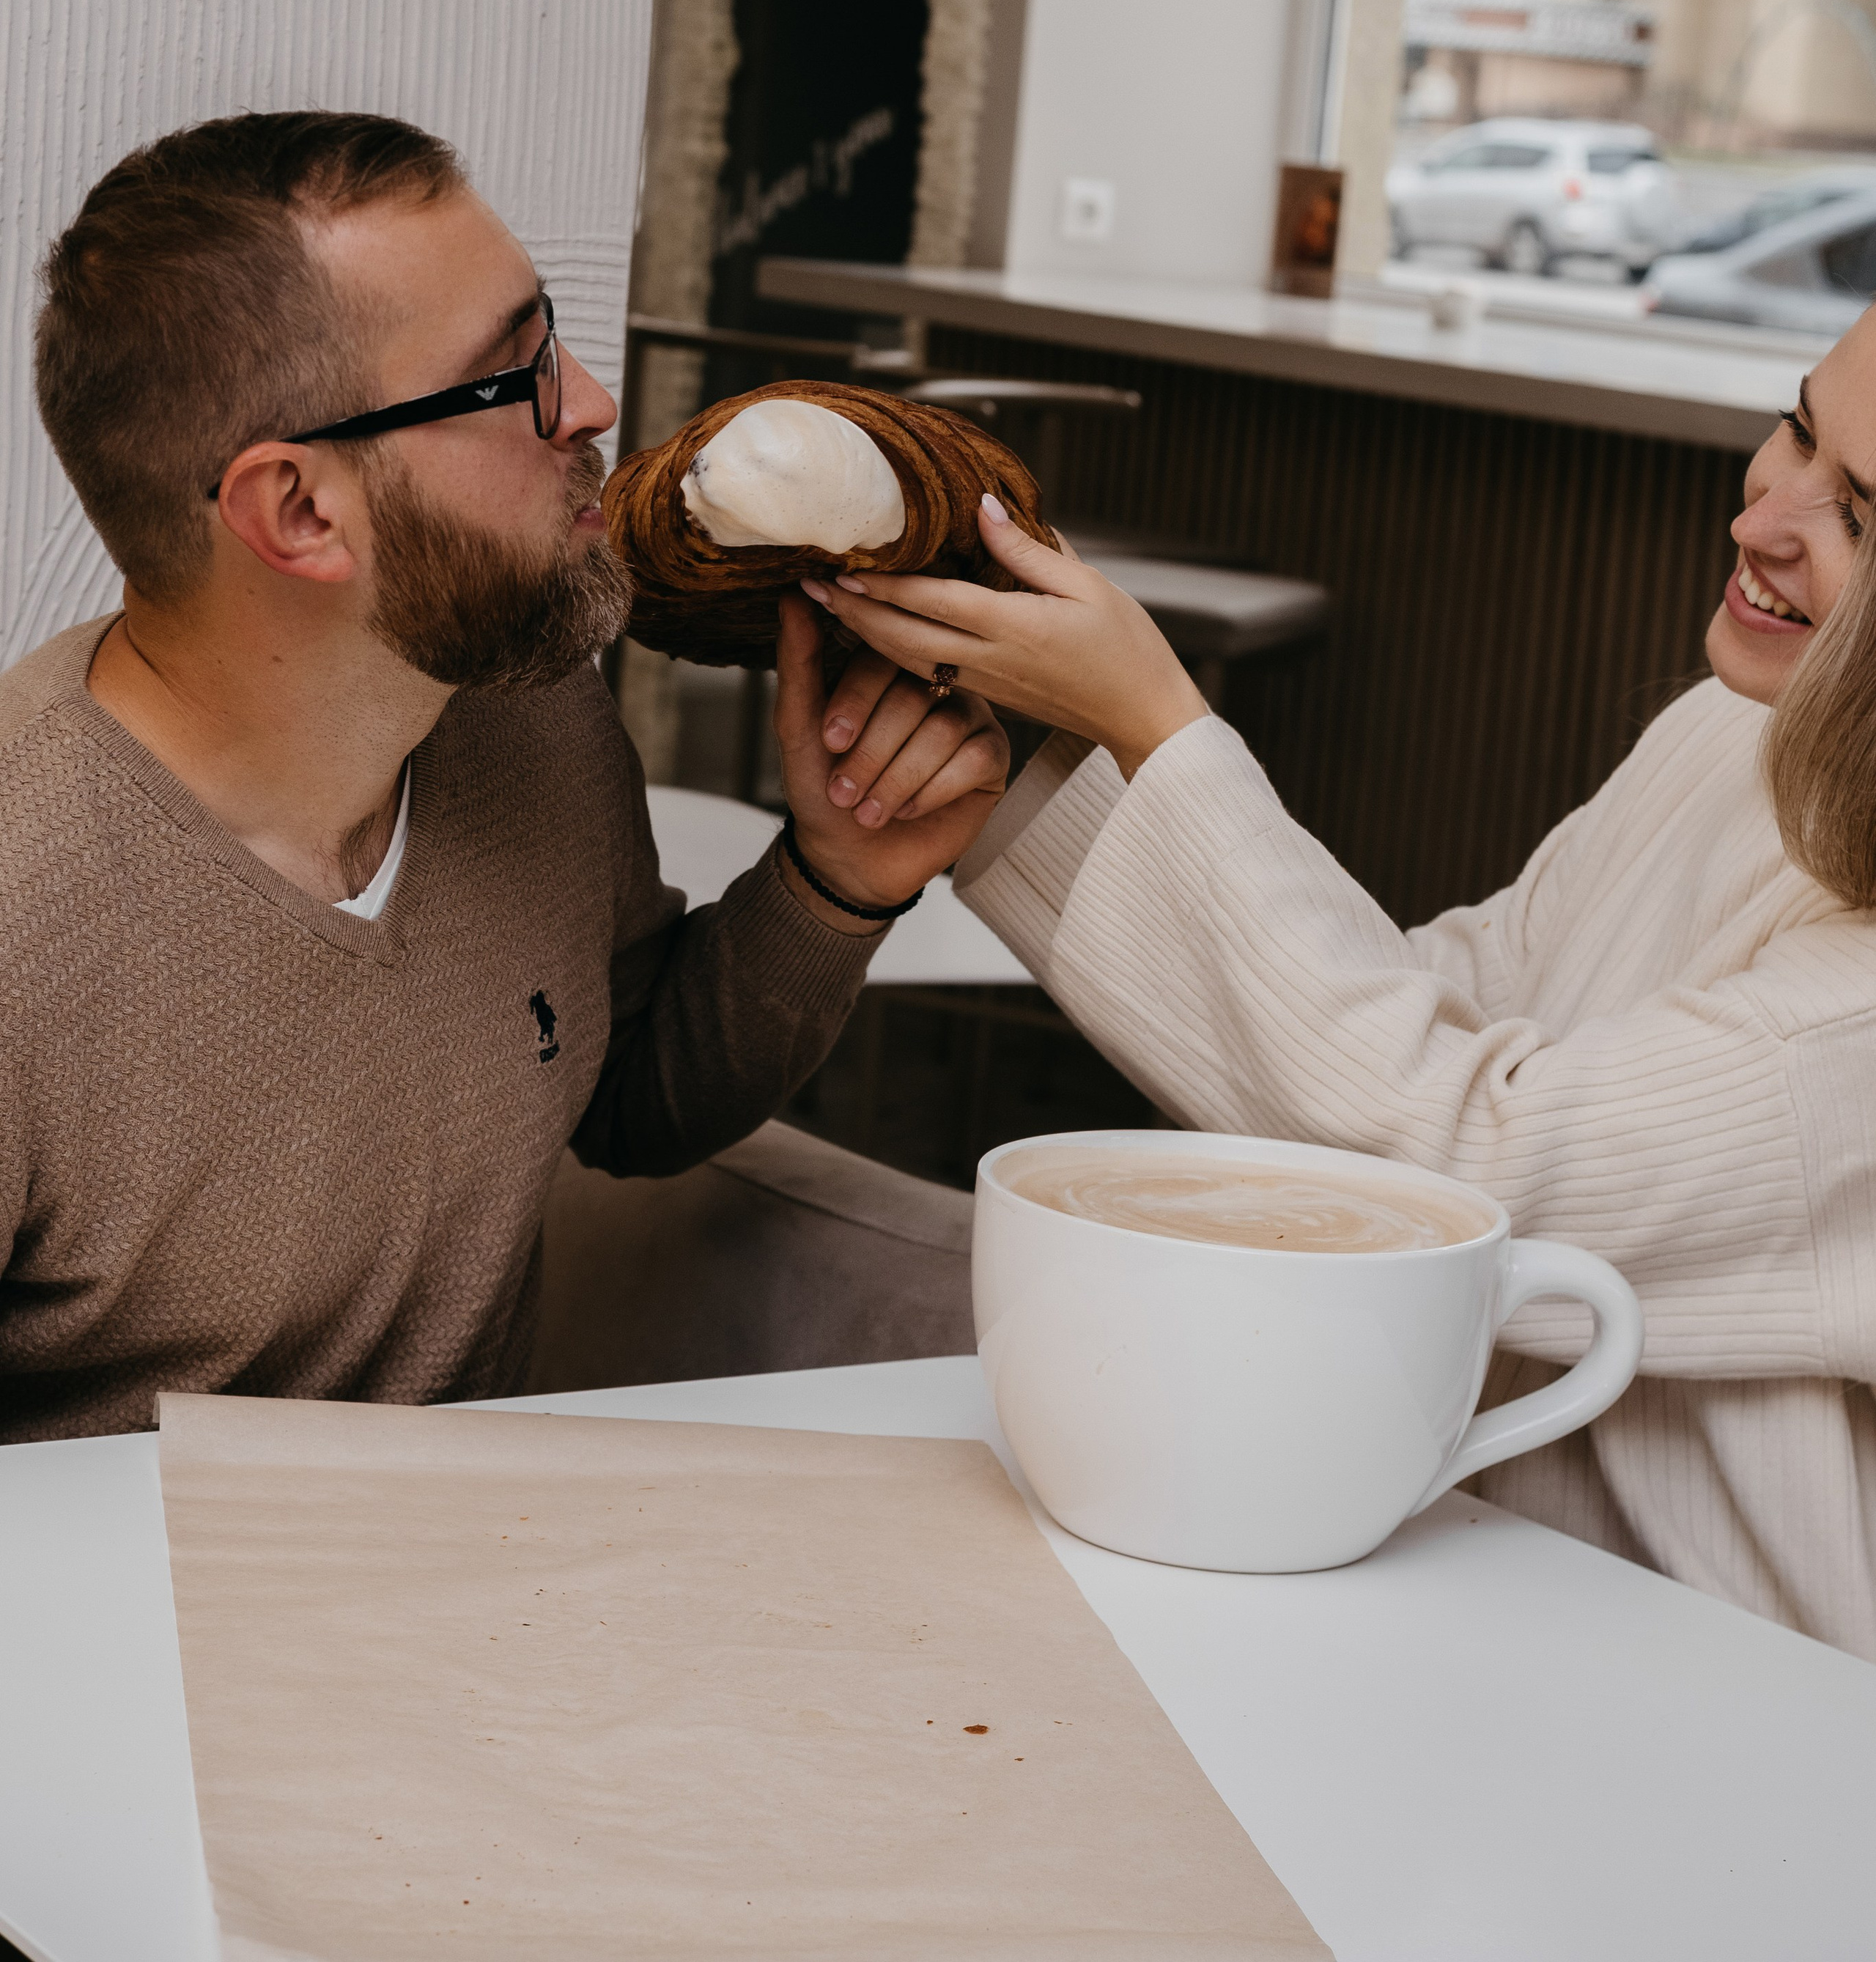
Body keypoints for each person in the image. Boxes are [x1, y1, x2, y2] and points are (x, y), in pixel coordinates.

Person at [803, 308, 1876, 1662]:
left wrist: (1152, 719)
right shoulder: (1742, 727)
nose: (1763, 520)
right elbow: (1448, 1005)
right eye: (1795, 425)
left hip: (1729, 1698)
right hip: (1481, 1600)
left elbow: (1457, 1164)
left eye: (1859, 519)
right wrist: (1015, 788)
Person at [0, 111, 1006, 1442]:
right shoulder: (26, 911)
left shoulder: (524, 718)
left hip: (478, 1597)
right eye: (512, 376)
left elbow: (629, 1095)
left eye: (555, 336)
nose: (589, 404)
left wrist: (835, 883)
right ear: (300, 511)